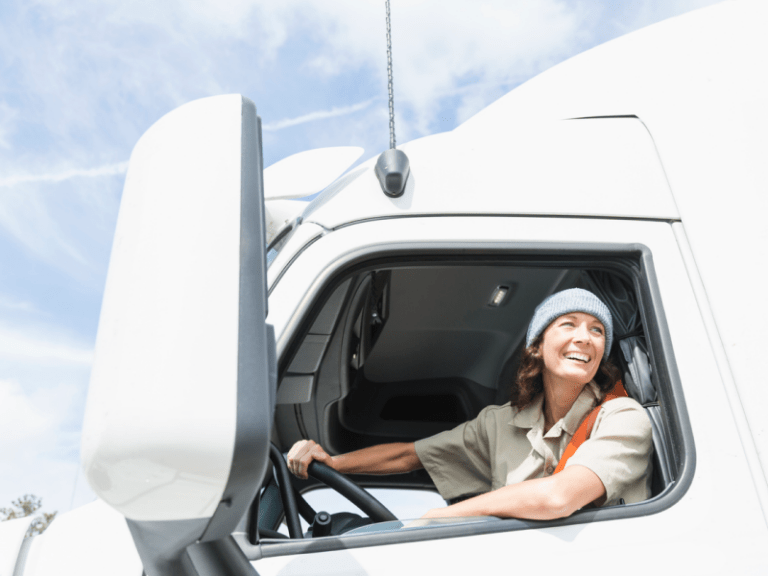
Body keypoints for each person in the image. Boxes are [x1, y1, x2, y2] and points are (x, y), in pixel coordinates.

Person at [287, 288, 652, 520]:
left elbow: (559, 497)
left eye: (597, 330)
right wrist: (332, 463)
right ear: (538, 346)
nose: (584, 338)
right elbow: (409, 456)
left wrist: (440, 519)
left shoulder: (623, 419)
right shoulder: (499, 423)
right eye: (569, 324)